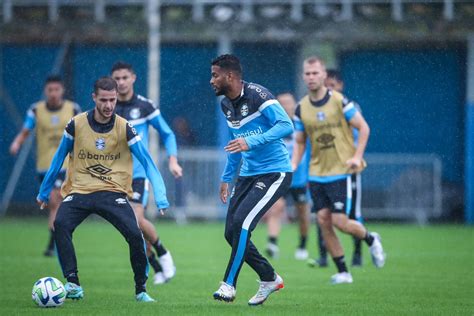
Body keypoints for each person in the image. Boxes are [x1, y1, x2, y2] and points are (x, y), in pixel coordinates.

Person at [36, 77, 169, 302]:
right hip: (79, 191)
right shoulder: (76, 124)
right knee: (60, 224)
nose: (108, 105)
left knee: (135, 235)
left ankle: (141, 290)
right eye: (104, 100)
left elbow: (147, 162)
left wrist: (161, 197)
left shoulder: (125, 127)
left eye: (113, 100)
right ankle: (73, 283)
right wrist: (44, 191)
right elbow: (58, 158)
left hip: (112, 192)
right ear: (94, 98)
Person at [291, 56, 386, 284]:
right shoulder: (301, 108)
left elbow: (364, 128)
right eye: (307, 73)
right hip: (316, 174)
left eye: (315, 73)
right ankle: (343, 271)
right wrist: (294, 164)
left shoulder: (340, 102)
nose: (311, 77)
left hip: (341, 172)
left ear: (324, 75)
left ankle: (371, 238)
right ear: (303, 76)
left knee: (340, 221)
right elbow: (300, 141)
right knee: (323, 221)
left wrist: (356, 156)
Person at [209, 54, 293, 305]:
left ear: (230, 76)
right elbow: (237, 145)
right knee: (230, 233)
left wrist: (251, 141)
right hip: (247, 174)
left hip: (275, 172)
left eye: (215, 75)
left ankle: (228, 285)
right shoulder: (226, 104)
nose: (211, 80)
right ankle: (269, 277)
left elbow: (285, 125)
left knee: (243, 224)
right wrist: (226, 178)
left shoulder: (258, 95)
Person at [111, 61, 180, 285]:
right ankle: (158, 269)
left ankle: (163, 252)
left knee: (137, 220)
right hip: (113, 177)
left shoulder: (144, 106)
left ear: (133, 78)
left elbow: (168, 133)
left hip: (138, 174)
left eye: (124, 77)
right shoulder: (106, 107)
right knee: (131, 230)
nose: (120, 82)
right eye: (117, 79)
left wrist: (173, 160)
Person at [9, 75, 81, 257]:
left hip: (65, 165)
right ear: (45, 91)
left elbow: (82, 133)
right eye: (50, 90)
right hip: (44, 166)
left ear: (62, 91)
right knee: (53, 205)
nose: (54, 93)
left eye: (57, 90)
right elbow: (26, 129)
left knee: (56, 200)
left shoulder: (72, 109)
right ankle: (57, 239)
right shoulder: (36, 110)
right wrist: (17, 142)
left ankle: (52, 245)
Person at [309, 69, 364, 268]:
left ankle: (359, 252)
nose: (329, 89)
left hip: (346, 171)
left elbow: (360, 132)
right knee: (322, 214)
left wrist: (356, 158)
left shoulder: (348, 107)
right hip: (323, 170)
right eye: (327, 86)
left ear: (340, 86)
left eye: (332, 86)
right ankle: (324, 256)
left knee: (348, 216)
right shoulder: (313, 107)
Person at [264, 92, 311, 261]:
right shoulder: (273, 125)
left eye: (288, 103)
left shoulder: (302, 125)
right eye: (281, 103)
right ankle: (272, 242)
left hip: (299, 179)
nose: (285, 106)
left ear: (294, 105)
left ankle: (303, 245)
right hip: (280, 176)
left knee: (303, 212)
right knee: (276, 207)